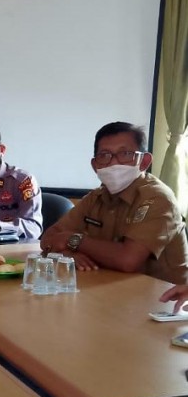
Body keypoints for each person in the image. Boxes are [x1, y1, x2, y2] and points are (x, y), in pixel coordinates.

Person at [40, 121, 188, 283]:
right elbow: (48, 239)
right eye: (104, 155)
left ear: (144, 161)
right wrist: (67, 254)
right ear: (95, 165)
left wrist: (73, 240)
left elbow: (128, 260)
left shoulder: (158, 198)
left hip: (164, 300)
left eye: (125, 154)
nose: (114, 163)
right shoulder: (96, 197)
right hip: (109, 288)